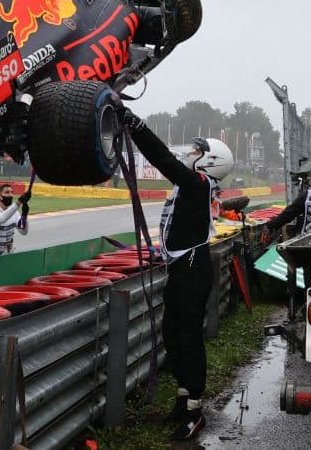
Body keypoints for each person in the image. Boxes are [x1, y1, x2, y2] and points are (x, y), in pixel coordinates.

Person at [118, 106, 233, 442]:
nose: (191, 154)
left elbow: (162, 160)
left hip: (194, 269)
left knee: (188, 338)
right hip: (183, 266)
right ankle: (183, 402)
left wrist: (137, 126)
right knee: (173, 333)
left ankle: (195, 411)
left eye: (197, 151)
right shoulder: (196, 185)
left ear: (209, 161)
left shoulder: (198, 183)